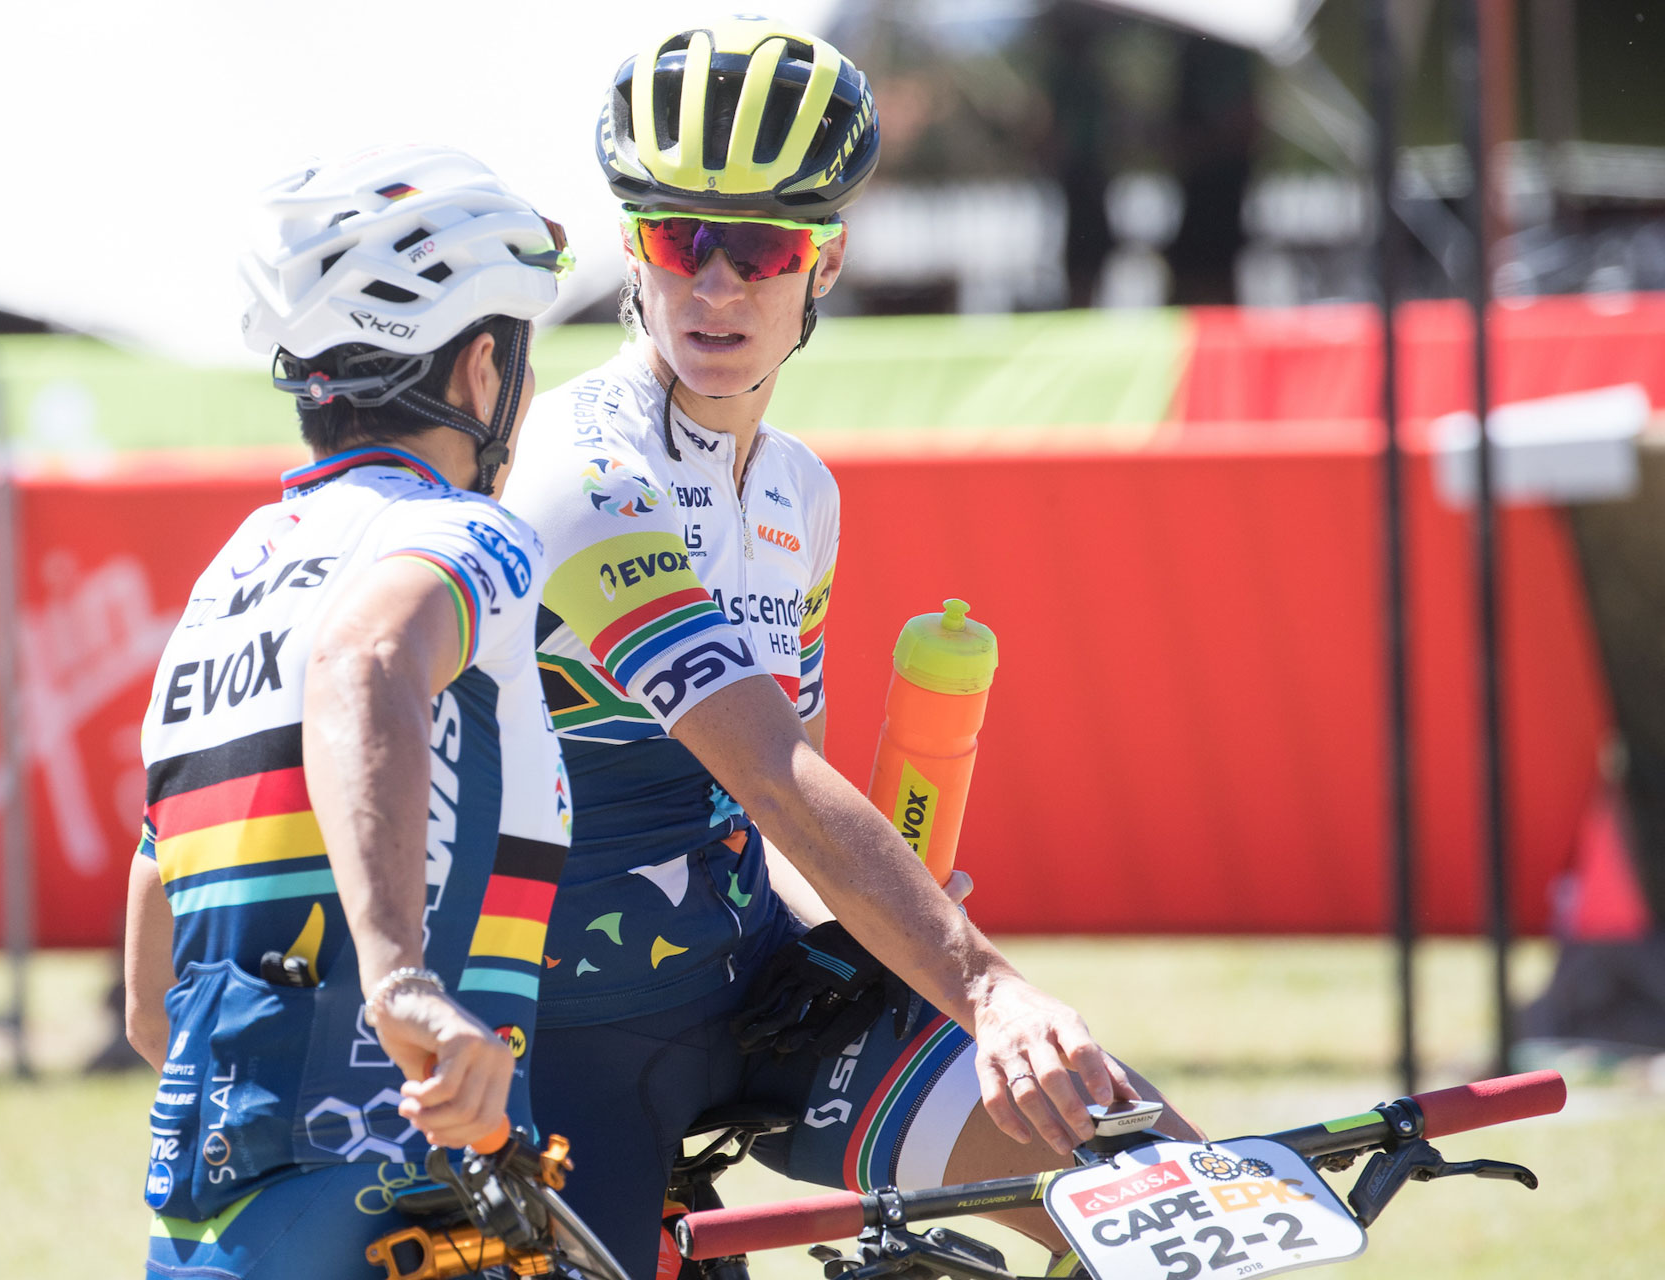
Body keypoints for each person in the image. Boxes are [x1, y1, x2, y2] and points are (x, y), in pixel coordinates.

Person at [503, 19, 1196, 1278]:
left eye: (760, 249)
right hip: (567, 1042)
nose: (715, 286)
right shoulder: (577, 468)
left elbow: (771, 822)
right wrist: (981, 983)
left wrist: (876, 932)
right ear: (629, 248)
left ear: (821, 263)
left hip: (756, 998)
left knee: (1151, 1181)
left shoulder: (799, 496)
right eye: (677, 240)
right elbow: (770, 768)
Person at [124, 144, 574, 1279]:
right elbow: (368, 659)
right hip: (401, 1206)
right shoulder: (456, 536)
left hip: (207, 1225)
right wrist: (397, 977)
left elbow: (147, 998)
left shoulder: (225, 582)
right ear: (482, 369)